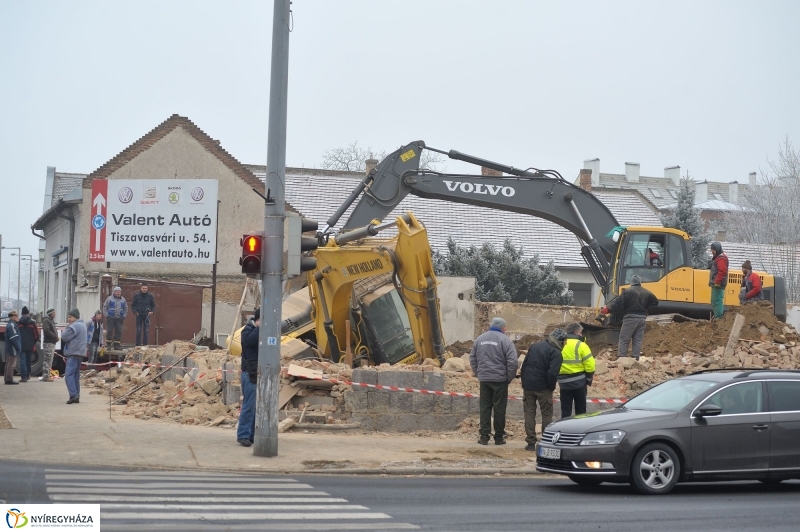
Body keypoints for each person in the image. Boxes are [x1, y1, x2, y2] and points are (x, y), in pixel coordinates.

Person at [469, 317, 518, 445]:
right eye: (505, 327)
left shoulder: (479, 339)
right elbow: (513, 362)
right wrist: (508, 377)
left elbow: (472, 358)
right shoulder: (505, 341)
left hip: (484, 379)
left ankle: (484, 437)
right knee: (499, 408)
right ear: (502, 327)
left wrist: (478, 373)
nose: (506, 329)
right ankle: (499, 437)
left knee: (485, 408)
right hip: (500, 380)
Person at [521, 328, 566, 451]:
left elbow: (524, 365)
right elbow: (552, 373)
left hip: (528, 386)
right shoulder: (556, 352)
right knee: (546, 414)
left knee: (529, 412)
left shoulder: (535, 346)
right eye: (565, 341)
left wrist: (524, 383)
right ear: (560, 341)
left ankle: (530, 442)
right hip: (544, 388)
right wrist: (551, 387)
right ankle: (546, 440)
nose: (566, 343)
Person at [601, 274, 659, 361]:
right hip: (642, 319)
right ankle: (635, 358)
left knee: (624, 338)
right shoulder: (647, 292)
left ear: (631, 282)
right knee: (637, 340)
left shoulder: (627, 292)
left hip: (630, 318)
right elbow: (655, 302)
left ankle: (622, 358)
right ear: (639, 282)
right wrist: (647, 311)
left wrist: (608, 309)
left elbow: (618, 304)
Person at [558, 322, 595, 419]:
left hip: (563, 383)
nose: (582, 335)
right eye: (580, 332)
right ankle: (579, 431)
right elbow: (590, 365)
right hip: (579, 383)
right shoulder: (581, 345)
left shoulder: (560, 344)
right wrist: (589, 379)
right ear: (575, 332)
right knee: (581, 412)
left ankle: (565, 430)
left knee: (566, 411)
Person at [237, 309, 260, 447]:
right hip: (249, 373)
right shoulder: (247, 331)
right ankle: (243, 435)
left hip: (258, 373)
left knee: (256, 407)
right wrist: (260, 327)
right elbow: (250, 342)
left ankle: (251, 435)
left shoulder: (256, 330)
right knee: (249, 406)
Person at [60, 308, 87, 404]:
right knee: (75, 375)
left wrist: (67, 327)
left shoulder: (74, 326)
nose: (69, 319)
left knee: (69, 375)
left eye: (70, 317)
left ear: (75, 317)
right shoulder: (83, 325)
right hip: (80, 354)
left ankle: (73, 395)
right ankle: (77, 395)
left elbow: (64, 337)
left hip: (73, 353)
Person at [17, 306, 40, 383]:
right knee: (28, 360)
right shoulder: (32, 323)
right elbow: (36, 335)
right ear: (28, 313)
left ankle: (23, 377)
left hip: (21, 344)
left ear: (22, 314)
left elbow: (17, 334)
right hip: (30, 345)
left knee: (22, 360)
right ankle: (27, 375)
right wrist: (33, 342)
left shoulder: (19, 323)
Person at [103, 286, 128, 350]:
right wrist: (107, 315)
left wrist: (124, 316)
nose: (119, 293)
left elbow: (126, 308)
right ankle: (109, 345)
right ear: (114, 292)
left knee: (118, 331)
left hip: (119, 318)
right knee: (109, 331)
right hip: (110, 318)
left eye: (120, 292)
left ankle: (117, 345)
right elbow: (105, 307)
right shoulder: (109, 299)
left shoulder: (123, 299)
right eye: (117, 292)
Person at [709, 241, 729, 319]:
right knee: (715, 301)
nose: (712, 252)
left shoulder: (721, 258)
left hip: (718, 285)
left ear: (717, 249)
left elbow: (722, 271)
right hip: (716, 284)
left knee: (717, 301)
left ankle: (719, 317)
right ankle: (717, 316)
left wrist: (717, 282)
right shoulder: (718, 257)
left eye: (713, 250)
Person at [3, 310, 21, 385]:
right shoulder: (12, 325)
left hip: (9, 346)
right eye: (16, 316)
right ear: (13, 317)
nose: (18, 318)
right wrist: (18, 347)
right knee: (11, 364)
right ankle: (9, 379)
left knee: (8, 363)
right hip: (12, 347)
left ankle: (7, 378)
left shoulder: (9, 324)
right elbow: (14, 337)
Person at [40, 308, 58, 381]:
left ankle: (47, 375)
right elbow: (46, 330)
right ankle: (45, 376)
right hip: (48, 343)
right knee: (47, 360)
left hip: (51, 342)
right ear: (50, 313)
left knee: (49, 360)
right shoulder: (46, 320)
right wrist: (54, 336)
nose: (55, 314)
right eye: (54, 312)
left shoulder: (50, 320)